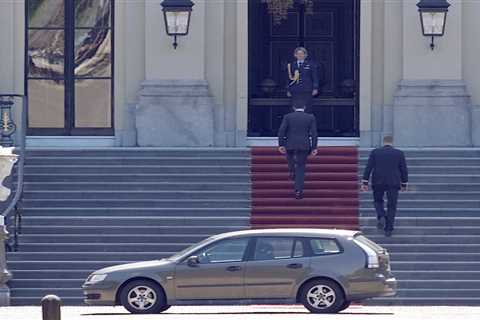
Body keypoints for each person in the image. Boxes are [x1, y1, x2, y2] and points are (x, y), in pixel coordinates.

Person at [361, 136, 408, 237]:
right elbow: (403, 169)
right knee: (392, 205)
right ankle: (389, 229)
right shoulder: (399, 153)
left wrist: (365, 182)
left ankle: (381, 215)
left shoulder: (375, 152)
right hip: (393, 182)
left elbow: (369, 167)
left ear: (383, 142)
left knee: (378, 201)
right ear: (392, 142)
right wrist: (404, 183)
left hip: (378, 181)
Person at [278, 100, 318, 200]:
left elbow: (281, 131)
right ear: (304, 107)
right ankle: (298, 190)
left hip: (290, 143)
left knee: (290, 159)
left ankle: (292, 170)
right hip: (304, 144)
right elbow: (314, 133)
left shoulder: (288, 117)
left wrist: (281, 144)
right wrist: (314, 147)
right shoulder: (310, 117)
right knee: (301, 166)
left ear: (293, 108)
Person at [286, 47, 319, 112]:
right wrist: (288, 89)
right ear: (295, 55)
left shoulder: (311, 65)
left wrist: (315, 88)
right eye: (298, 54)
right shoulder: (291, 65)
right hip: (295, 90)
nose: (300, 56)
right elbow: (288, 79)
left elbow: (315, 77)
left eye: (302, 54)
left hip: (307, 90)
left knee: (307, 108)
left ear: (305, 55)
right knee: (294, 108)